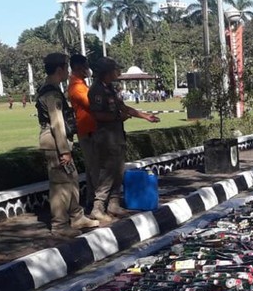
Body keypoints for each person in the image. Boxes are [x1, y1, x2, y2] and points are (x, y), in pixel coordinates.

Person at [88, 56, 160, 221]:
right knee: (107, 173)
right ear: (107, 72)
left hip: (116, 137)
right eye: (115, 69)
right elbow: (97, 114)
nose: (118, 72)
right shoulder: (97, 90)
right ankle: (97, 207)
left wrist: (145, 116)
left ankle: (113, 204)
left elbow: (124, 107)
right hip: (106, 138)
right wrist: (118, 117)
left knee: (118, 172)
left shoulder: (110, 89)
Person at [36, 52, 99, 237]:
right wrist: (64, 151)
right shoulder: (51, 93)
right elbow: (57, 124)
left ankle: (77, 216)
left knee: (71, 181)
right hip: (56, 144)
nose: (68, 71)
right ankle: (59, 225)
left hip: (59, 143)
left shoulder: (50, 89)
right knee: (60, 186)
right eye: (66, 67)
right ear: (59, 69)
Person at [67, 53, 101, 221]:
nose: (88, 69)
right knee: (94, 168)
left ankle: (91, 199)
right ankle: (97, 204)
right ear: (79, 67)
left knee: (91, 168)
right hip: (87, 130)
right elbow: (93, 104)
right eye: (86, 66)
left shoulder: (80, 84)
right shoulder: (77, 86)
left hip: (89, 129)